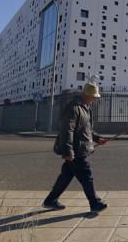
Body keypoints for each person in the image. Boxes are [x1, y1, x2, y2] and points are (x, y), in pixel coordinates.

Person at [43, 82, 109, 212]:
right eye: (93, 96)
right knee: (86, 175)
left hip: (79, 148)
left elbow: (86, 129)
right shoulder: (74, 107)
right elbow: (67, 130)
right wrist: (68, 151)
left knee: (66, 175)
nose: (95, 99)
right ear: (86, 95)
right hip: (76, 150)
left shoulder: (85, 107)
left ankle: (51, 200)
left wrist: (96, 138)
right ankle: (95, 203)